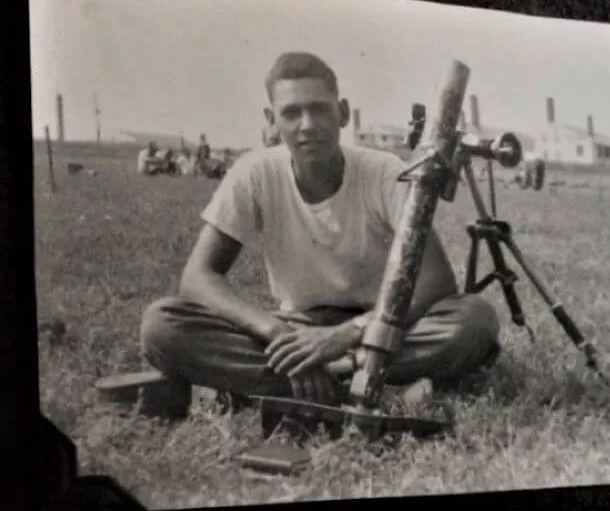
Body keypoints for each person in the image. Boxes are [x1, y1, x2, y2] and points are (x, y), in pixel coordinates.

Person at [140, 52, 501, 409]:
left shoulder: (384, 172)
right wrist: (275, 333)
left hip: (380, 324)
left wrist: (344, 336)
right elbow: (198, 276)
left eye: (319, 109)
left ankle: (282, 385)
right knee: (162, 325)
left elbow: (436, 284)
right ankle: (359, 383)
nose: (307, 124)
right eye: (292, 113)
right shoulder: (253, 172)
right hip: (296, 328)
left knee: (473, 321)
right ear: (271, 120)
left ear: (342, 113)